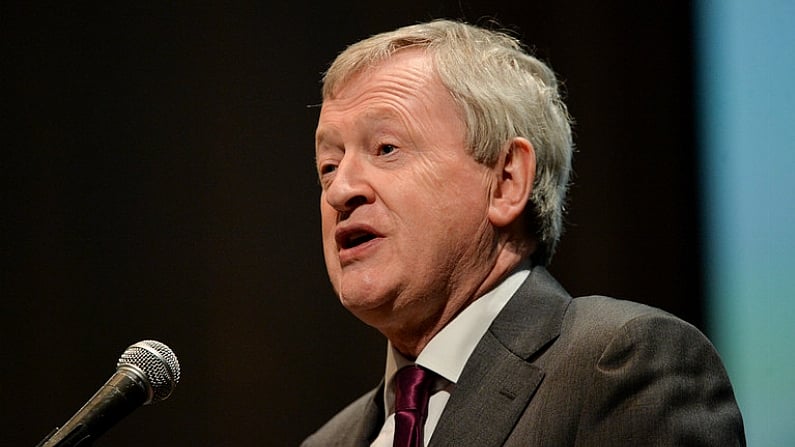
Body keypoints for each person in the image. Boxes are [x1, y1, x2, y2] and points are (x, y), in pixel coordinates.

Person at [302, 19, 745, 446]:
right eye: (329, 166)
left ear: (507, 180)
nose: (341, 190)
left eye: (386, 149)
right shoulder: (329, 442)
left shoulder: (621, 366)